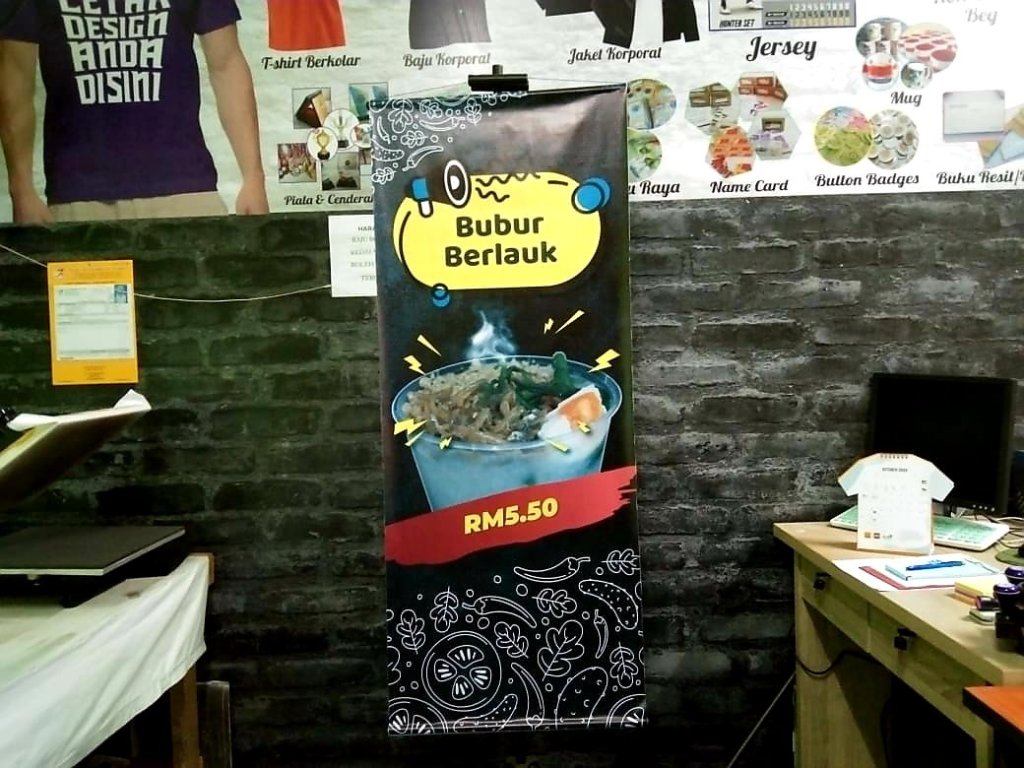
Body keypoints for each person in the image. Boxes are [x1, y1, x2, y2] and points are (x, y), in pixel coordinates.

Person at [0, 0, 268, 224]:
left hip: (184, 188)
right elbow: (15, 79)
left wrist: (253, 178)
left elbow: (226, 65)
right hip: (79, 193)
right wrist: (21, 190)